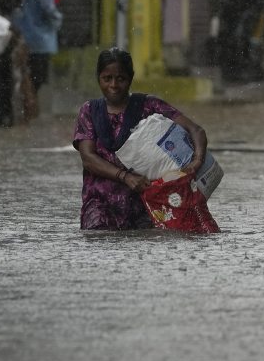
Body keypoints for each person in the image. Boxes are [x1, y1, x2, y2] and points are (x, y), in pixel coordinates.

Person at [73, 48, 209, 231]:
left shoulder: (148, 105)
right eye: (107, 79)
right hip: (100, 207)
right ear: (98, 78)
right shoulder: (89, 111)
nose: (113, 85)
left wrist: (197, 161)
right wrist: (125, 177)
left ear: (130, 78)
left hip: (146, 207)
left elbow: (195, 130)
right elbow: (88, 159)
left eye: (120, 79)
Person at [8, 0, 63, 118]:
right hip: (40, 37)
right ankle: (30, 111)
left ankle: (22, 111)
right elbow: (46, 4)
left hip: (17, 33)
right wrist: (56, 20)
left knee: (21, 75)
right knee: (36, 78)